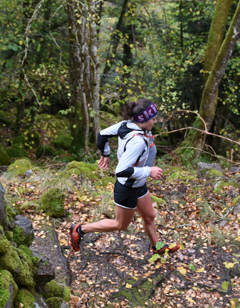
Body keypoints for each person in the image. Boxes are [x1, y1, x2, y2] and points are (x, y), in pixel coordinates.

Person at [69, 99, 179, 255]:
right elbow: (121, 171)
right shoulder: (137, 142)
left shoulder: (126, 125)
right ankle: (79, 229)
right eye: (153, 119)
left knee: (149, 216)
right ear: (142, 119)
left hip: (139, 184)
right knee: (120, 224)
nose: (156, 122)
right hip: (127, 187)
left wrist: (106, 154)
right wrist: (149, 171)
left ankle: (157, 247)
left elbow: (103, 134)